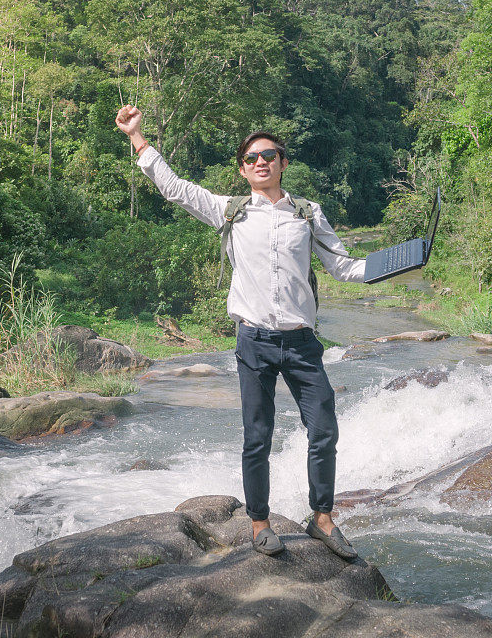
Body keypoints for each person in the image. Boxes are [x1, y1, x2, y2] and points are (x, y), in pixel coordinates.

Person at [115, 104, 365, 559]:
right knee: (257, 435)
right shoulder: (230, 211)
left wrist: (395, 263)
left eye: (269, 155)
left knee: (323, 427)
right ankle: (259, 524)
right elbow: (174, 189)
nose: (261, 162)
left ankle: (322, 519)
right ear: (243, 169)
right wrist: (137, 137)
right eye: (251, 158)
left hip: (302, 342)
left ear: (283, 163)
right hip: (253, 340)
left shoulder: (308, 215)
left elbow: (344, 266)